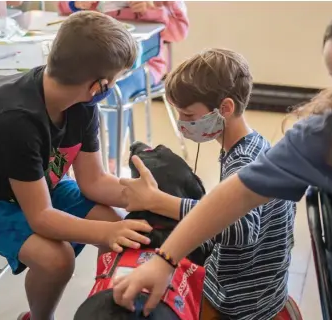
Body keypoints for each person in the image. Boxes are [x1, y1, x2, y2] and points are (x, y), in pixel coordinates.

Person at [112, 2, 332, 320]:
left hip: (245, 305)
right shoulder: (325, 135)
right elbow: (237, 195)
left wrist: (158, 202)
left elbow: (240, 228)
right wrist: (165, 259)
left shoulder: (246, 153)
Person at [0, 12, 153, 320]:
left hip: (34, 186)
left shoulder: (81, 104)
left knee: (112, 220)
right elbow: (42, 217)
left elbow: (94, 180)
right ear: (98, 86)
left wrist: (144, 197)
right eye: (115, 81)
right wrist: (108, 232)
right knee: (56, 259)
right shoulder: (16, 121)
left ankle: (104, 309)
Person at [119, 48, 297, 320]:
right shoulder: (257, 144)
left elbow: (239, 229)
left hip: (238, 302)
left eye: (189, 116)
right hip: (266, 290)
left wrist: (157, 201)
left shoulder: (243, 161)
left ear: (225, 108)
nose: (181, 124)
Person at [58, 1, 189, 174]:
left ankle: (111, 162)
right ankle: (73, 155)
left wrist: (152, 10)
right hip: (101, 60)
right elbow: (63, 7)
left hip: (147, 63)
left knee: (113, 88)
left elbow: (180, 32)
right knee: (75, 80)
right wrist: (76, 3)